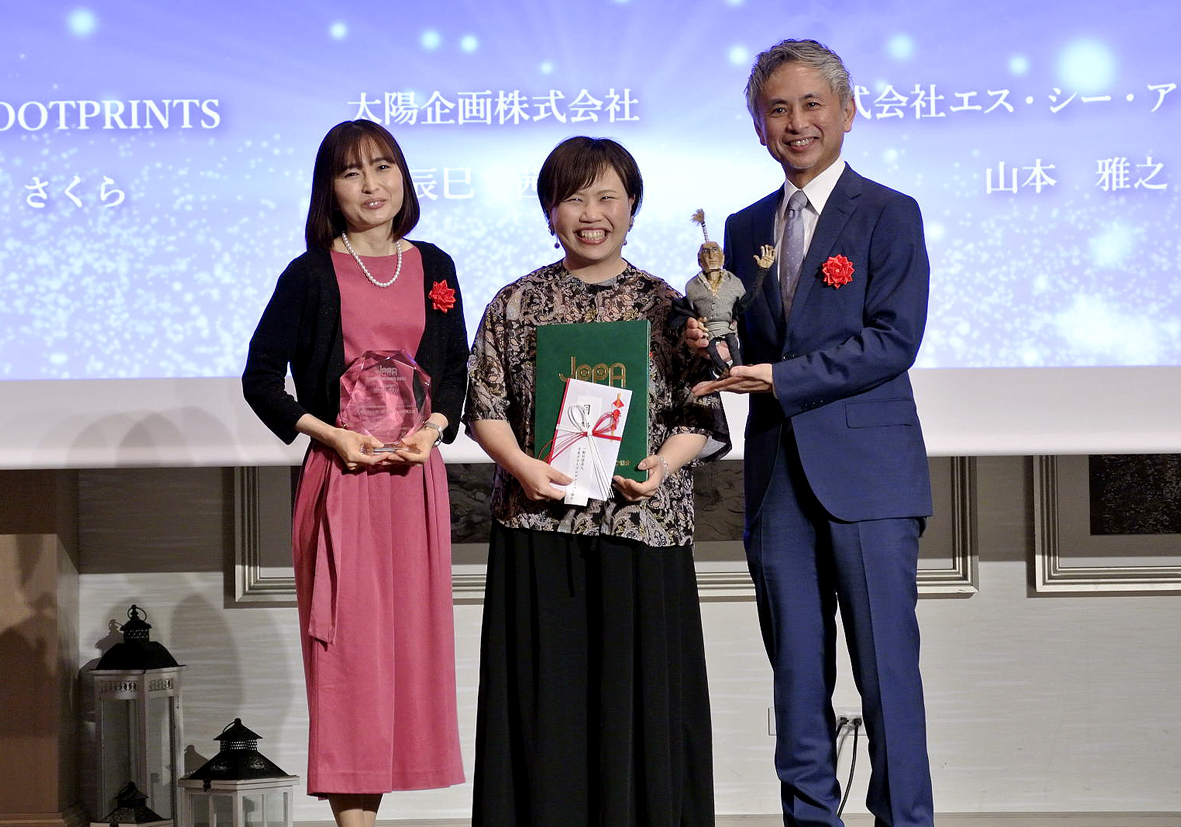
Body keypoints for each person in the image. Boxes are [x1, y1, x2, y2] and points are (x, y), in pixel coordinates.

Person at [690, 39, 935, 827]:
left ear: (847, 111)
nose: (795, 123)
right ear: (758, 126)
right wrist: (712, 344)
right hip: (776, 481)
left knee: (886, 673)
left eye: (810, 105)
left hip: (870, 477)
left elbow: (893, 340)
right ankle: (808, 818)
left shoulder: (889, 212)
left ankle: (904, 818)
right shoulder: (742, 225)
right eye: (776, 109)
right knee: (795, 676)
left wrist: (777, 377)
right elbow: (747, 342)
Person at [465, 136, 729, 827]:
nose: (591, 214)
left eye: (608, 197)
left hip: (641, 528)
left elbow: (699, 412)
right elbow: (484, 408)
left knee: (641, 708)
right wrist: (522, 466)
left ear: (632, 207)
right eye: (574, 198)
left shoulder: (667, 305)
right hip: (539, 527)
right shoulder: (515, 302)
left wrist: (661, 464)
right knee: (542, 708)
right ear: (549, 210)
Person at [242, 120, 467, 823]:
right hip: (342, 483)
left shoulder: (434, 266)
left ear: (403, 177)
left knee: (409, 654)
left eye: (383, 166)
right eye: (351, 172)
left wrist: (433, 428)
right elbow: (260, 380)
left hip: (415, 485)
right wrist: (330, 434)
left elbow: (454, 370)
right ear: (329, 191)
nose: (371, 185)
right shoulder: (310, 273)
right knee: (348, 656)